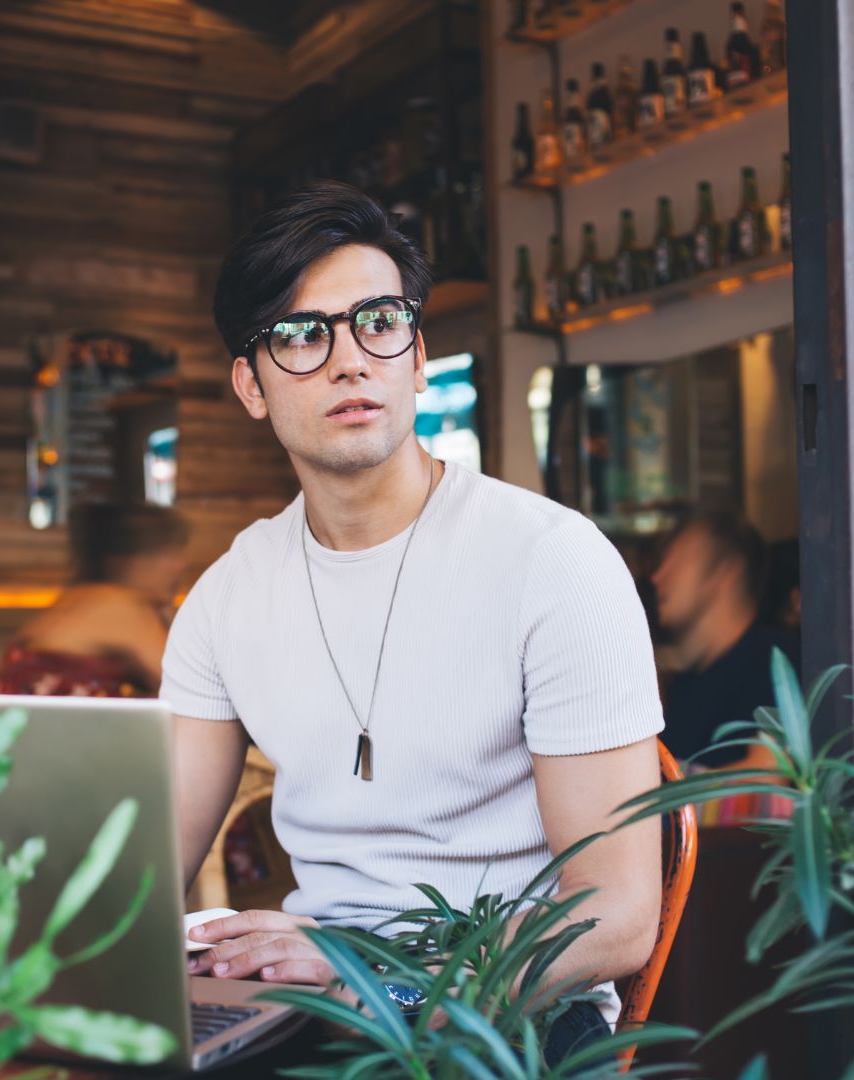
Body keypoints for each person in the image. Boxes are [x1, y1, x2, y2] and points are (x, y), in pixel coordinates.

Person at [161, 181, 664, 1069]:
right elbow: (147, 872)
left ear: (417, 355)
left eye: (378, 322)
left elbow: (617, 916)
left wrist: (375, 976)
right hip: (312, 997)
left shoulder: (555, 562)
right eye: (300, 335)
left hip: (508, 1004)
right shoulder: (226, 597)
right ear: (250, 384)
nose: (350, 360)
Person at [651, 512, 800, 770]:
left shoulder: (774, 664)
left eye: (677, 561)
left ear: (724, 572)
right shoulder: (687, 682)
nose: (657, 576)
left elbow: (767, 776)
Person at [0, 502, 188, 697]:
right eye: (166, 553)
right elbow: (186, 685)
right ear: (128, 562)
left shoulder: (82, 598)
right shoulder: (118, 606)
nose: (179, 565)